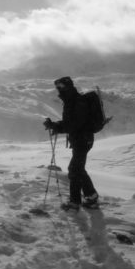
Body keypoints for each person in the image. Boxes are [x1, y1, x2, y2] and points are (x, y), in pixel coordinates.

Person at [44, 76, 99, 210]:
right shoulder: (70, 101)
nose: (59, 89)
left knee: (74, 170)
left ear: (68, 85)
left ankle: (76, 202)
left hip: (83, 139)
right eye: (57, 87)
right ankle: (90, 196)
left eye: (61, 86)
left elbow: (75, 124)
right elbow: (70, 123)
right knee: (77, 169)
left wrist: (57, 127)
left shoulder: (77, 101)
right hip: (80, 139)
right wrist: (56, 125)